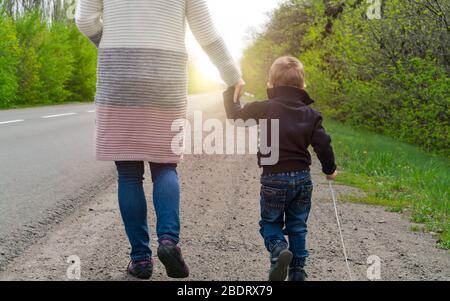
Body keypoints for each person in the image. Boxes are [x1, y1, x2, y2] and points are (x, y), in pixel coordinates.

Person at [76, 0, 244, 280]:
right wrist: (232, 75)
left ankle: (140, 260)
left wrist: (112, 45)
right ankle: (168, 242)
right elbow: (207, 33)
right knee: (165, 165)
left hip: (119, 73)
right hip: (165, 76)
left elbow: (85, 21)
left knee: (128, 174)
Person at [223, 56, 337, 281]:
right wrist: (329, 169)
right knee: (297, 226)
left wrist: (230, 90)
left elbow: (236, 117)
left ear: (271, 84)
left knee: (270, 222)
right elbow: (323, 144)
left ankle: (277, 249)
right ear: (303, 85)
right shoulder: (312, 115)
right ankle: (297, 271)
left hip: (273, 178)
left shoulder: (266, 107)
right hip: (302, 180)